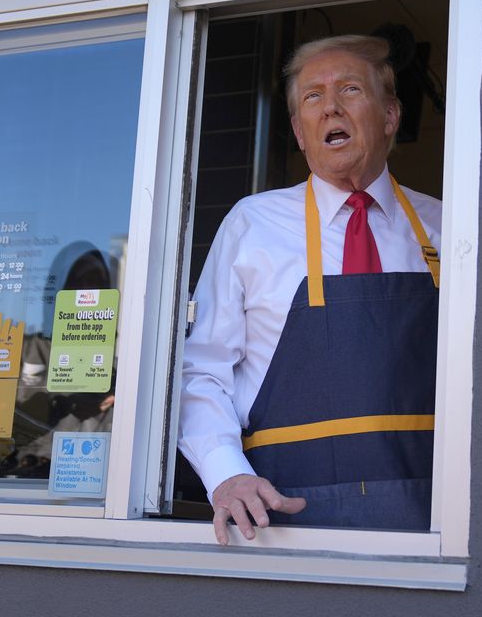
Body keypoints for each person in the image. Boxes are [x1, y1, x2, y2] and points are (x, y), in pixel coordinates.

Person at [178, 35, 442, 545]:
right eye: (312, 98)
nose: (331, 108)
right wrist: (225, 474)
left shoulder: (445, 226)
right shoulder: (250, 224)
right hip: (282, 520)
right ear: (299, 132)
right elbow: (201, 370)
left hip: (432, 522)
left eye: (349, 89)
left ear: (390, 116)